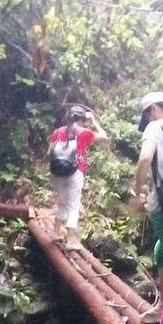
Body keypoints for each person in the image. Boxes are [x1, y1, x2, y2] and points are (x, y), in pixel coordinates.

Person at [128, 91, 163, 324]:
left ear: (152, 110)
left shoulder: (155, 127)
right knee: (161, 250)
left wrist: (137, 192)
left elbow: (144, 159)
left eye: (147, 115)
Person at [49, 105, 108, 250]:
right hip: (75, 171)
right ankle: (71, 241)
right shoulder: (84, 132)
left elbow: (49, 151)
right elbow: (104, 136)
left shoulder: (57, 132)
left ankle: (56, 233)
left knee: (62, 202)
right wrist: (94, 120)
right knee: (73, 205)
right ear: (83, 119)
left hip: (56, 172)